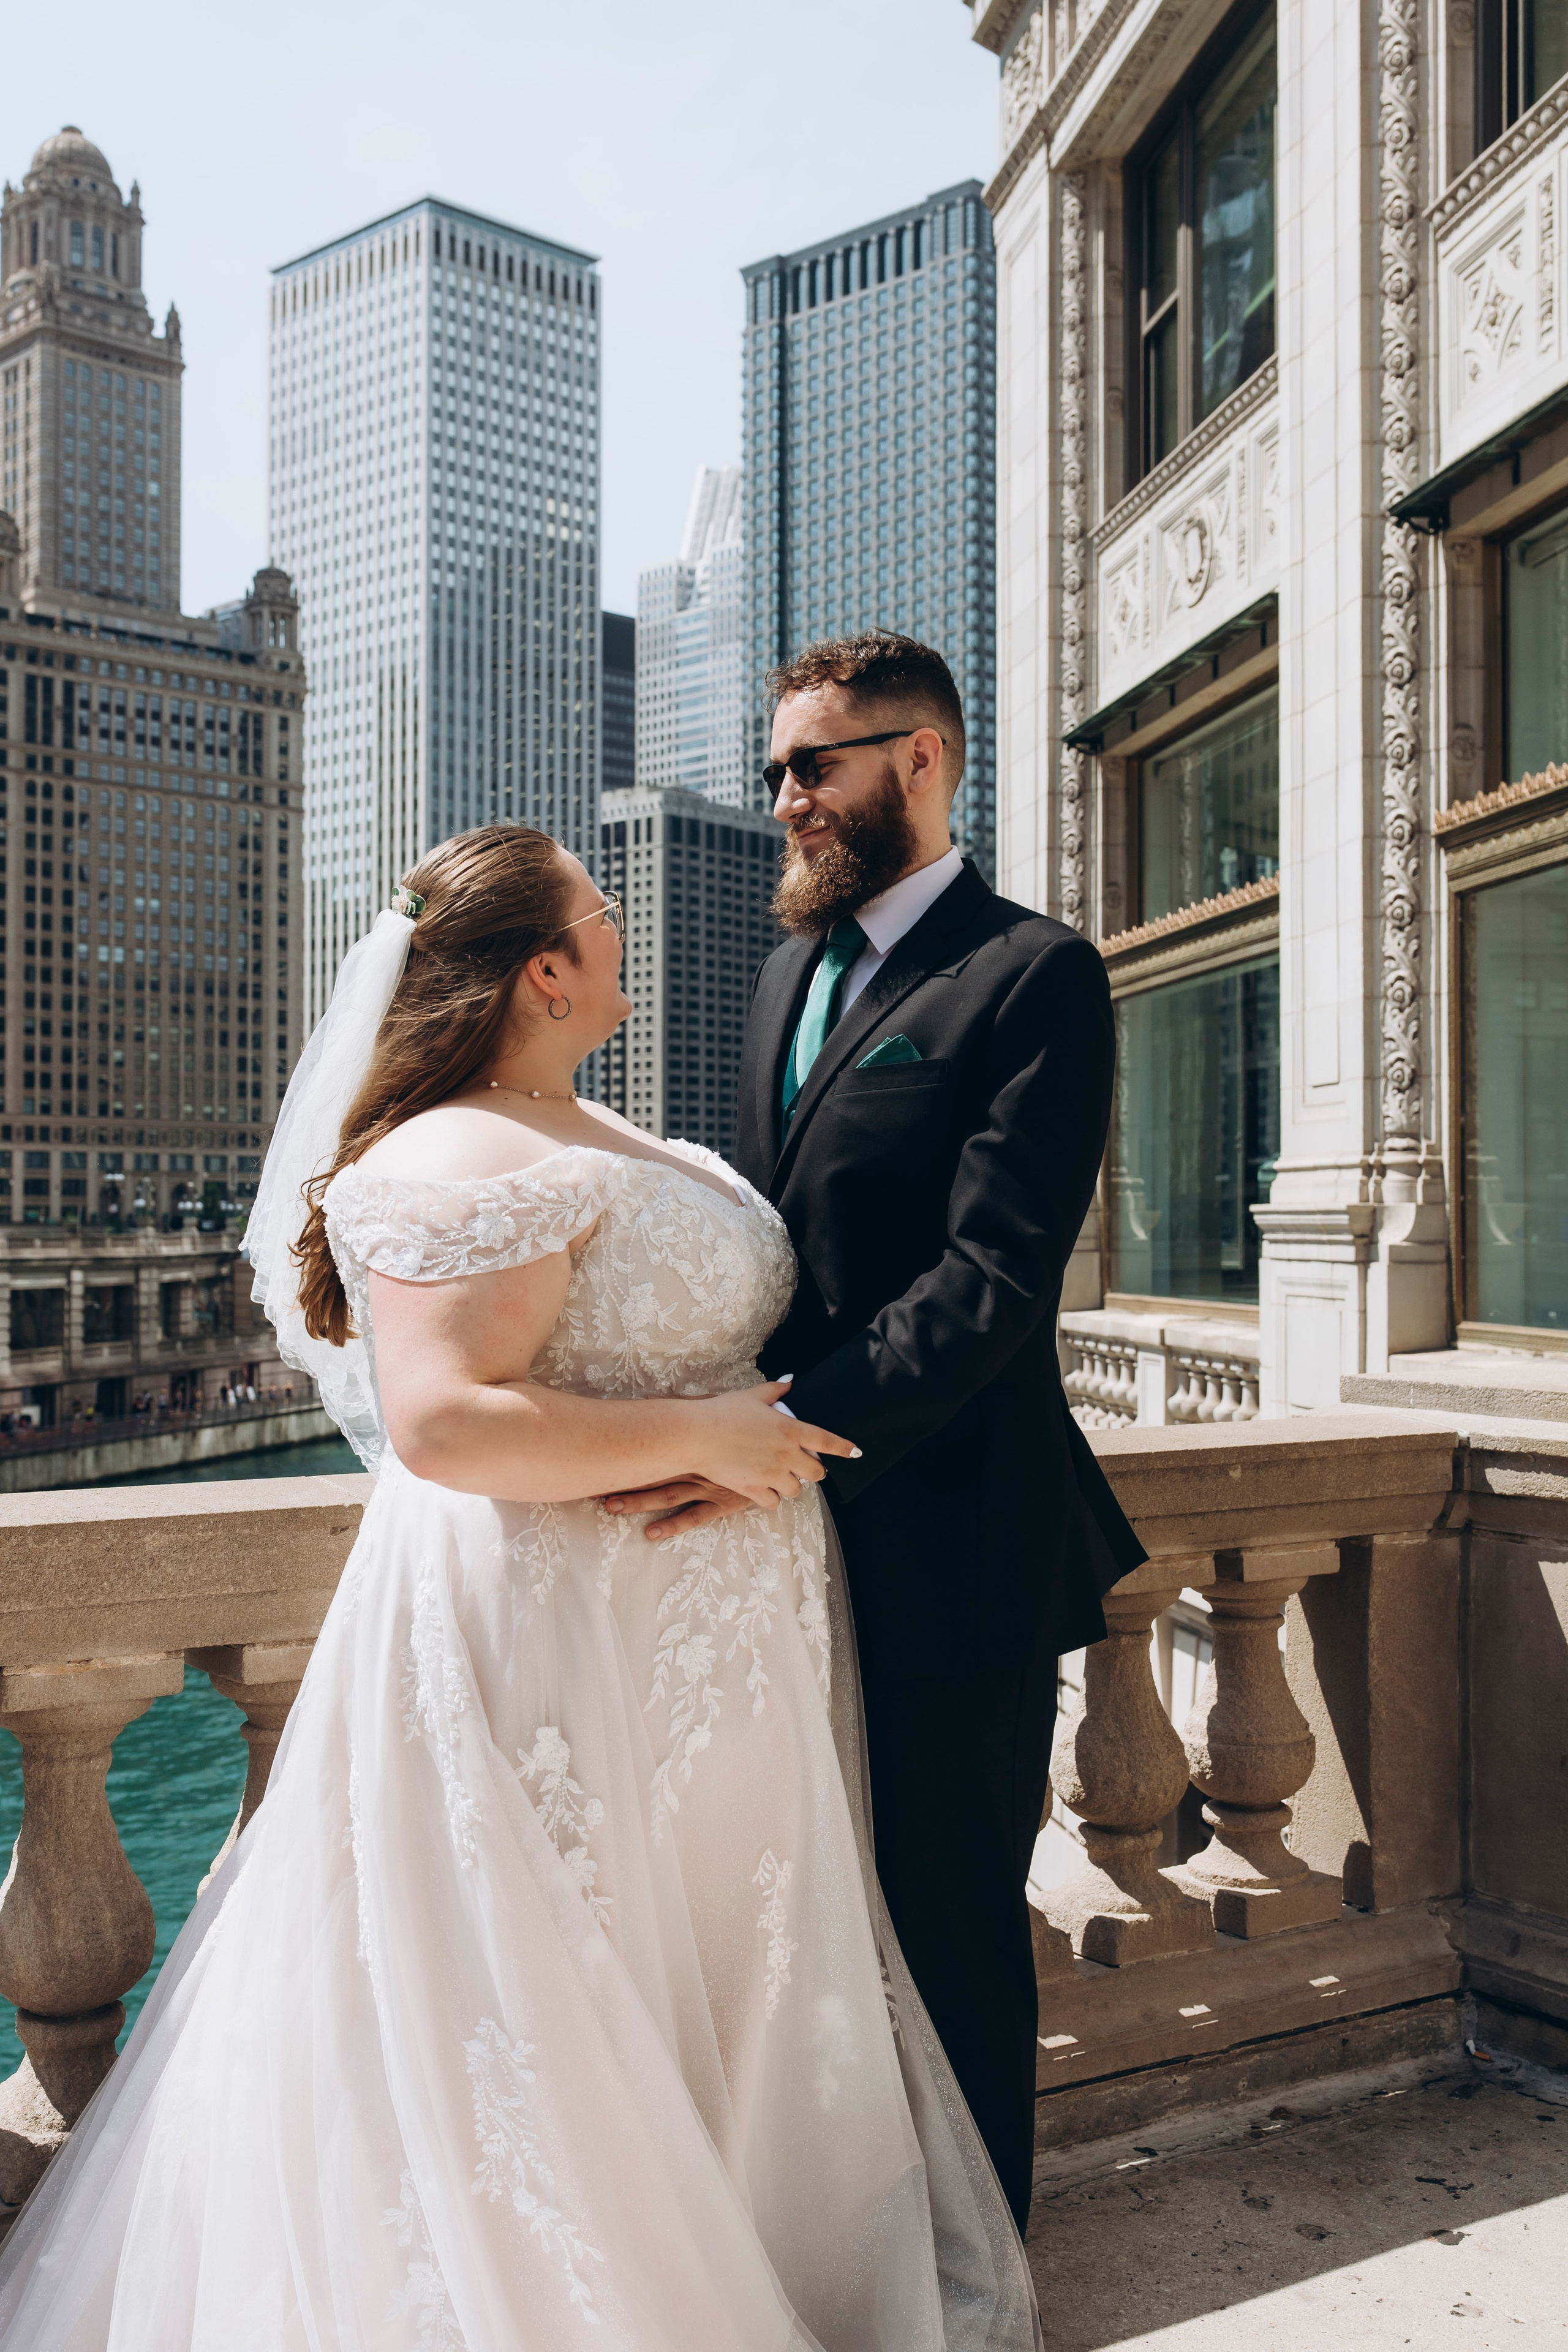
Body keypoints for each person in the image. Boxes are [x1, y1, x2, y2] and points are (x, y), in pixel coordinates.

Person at [0, 823, 1040, 2351]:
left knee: (719, 1976)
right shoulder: (446, 1154)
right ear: (547, 969)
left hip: (703, 1656)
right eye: (602, 913)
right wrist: (709, 1434)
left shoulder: (599, 1128)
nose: (624, 932)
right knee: (569, 1987)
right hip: (569, 1646)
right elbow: (437, 1422)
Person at [606, 633, 1146, 2230]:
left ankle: (983, 2296)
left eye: (816, 765)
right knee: (802, 1935)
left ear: (924, 760)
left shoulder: (1037, 973)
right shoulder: (785, 970)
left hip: (957, 1551)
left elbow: (992, 1287)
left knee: (952, 1938)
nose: (786, 799)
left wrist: (774, 1429)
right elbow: (776, 1252)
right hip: (776, 1551)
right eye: (778, 768)